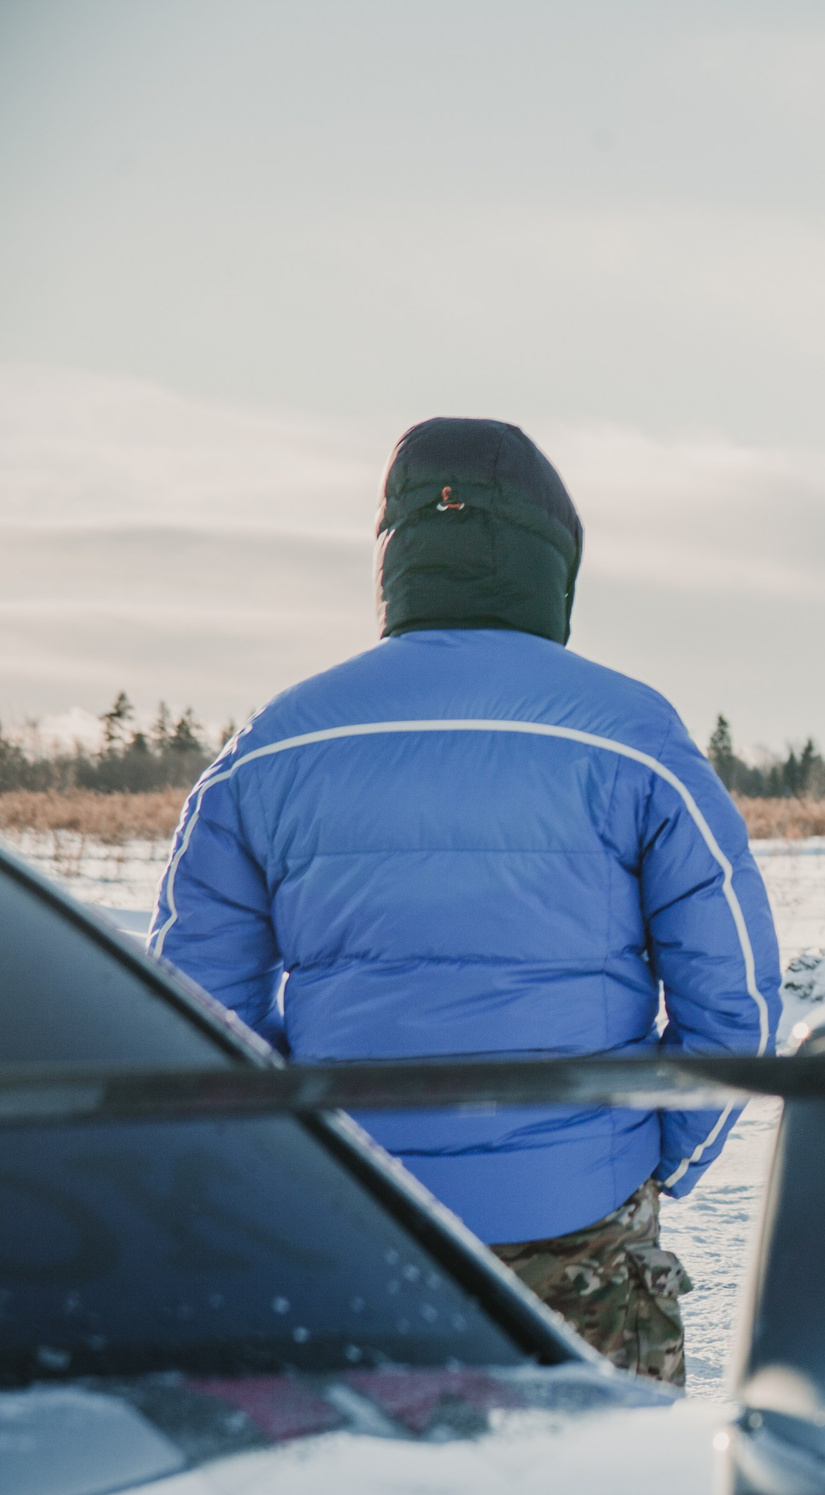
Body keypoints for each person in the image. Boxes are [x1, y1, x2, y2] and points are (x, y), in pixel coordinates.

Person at [153, 417, 780, 1386]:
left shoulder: (272, 745)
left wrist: (303, 1162)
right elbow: (732, 993)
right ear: (553, 558)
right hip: (580, 1224)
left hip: (356, 1227)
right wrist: (653, 1157)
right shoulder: (629, 732)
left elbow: (192, 1015)